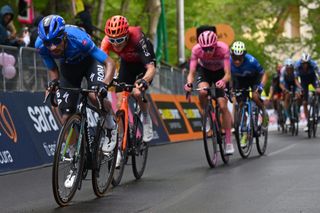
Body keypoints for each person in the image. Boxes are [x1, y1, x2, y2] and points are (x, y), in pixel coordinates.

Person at [35, 15, 117, 164]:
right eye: (48, 43)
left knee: (94, 96)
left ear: (64, 36)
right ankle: (75, 156)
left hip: (90, 63)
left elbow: (110, 63)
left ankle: (111, 126)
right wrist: (53, 82)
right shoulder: (41, 46)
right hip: (69, 68)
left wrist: (104, 84)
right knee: (66, 116)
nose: (52, 47)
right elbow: (53, 68)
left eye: (56, 41)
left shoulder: (79, 39)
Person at [101, 15, 155, 143]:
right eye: (112, 40)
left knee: (137, 92)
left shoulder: (136, 37)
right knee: (119, 103)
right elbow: (101, 62)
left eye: (120, 40)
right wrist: (106, 79)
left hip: (143, 64)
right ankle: (121, 140)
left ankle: (146, 118)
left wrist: (144, 80)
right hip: (127, 64)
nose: (116, 44)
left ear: (127, 35)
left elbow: (151, 68)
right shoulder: (107, 41)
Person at [184, 30, 234, 155]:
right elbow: (192, 72)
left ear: (215, 45)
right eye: (204, 49)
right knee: (202, 92)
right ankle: (206, 116)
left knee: (223, 106)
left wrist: (223, 81)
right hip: (205, 72)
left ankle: (228, 141)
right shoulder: (196, 50)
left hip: (221, 73)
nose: (207, 52)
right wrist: (189, 84)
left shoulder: (223, 49)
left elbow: (228, 74)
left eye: (210, 48)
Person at [230, 41, 268, 146]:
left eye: (240, 58)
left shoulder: (252, 61)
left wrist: (260, 87)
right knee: (241, 105)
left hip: (253, 80)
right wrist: (229, 89)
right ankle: (245, 133)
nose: (237, 61)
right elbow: (227, 77)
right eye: (235, 58)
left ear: (244, 55)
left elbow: (264, 74)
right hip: (240, 82)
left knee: (255, 96)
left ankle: (264, 113)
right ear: (231, 55)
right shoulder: (228, 62)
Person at [294, 52, 320, 132]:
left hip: (313, 79)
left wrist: (318, 86)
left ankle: (317, 110)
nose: (305, 65)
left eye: (306, 63)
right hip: (303, 81)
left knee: (319, 91)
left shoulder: (313, 64)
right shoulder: (297, 65)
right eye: (303, 63)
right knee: (304, 102)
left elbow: (319, 75)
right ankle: (308, 121)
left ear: (309, 63)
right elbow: (295, 79)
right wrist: (300, 88)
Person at [279, 58, 301, 126]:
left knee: (298, 96)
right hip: (286, 84)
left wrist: (300, 89)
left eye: (290, 68)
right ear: (285, 67)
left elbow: (296, 81)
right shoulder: (283, 71)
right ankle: (288, 117)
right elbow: (281, 84)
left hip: (294, 83)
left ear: (293, 68)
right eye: (288, 68)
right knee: (287, 96)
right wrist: (285, 90)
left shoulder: (295, 71)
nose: (289, 70)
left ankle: (297, 111)